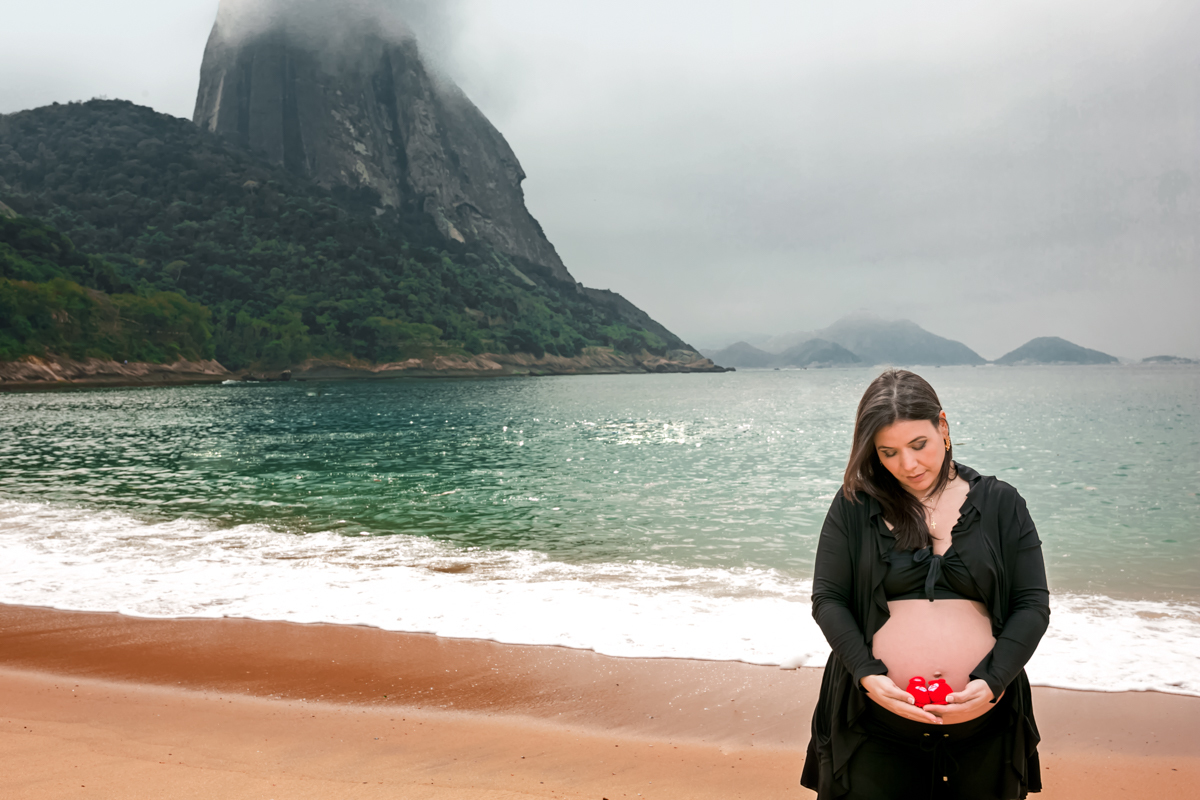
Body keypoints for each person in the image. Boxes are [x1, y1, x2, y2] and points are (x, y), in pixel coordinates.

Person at [800, 369, 1050, 799]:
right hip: (873, 721)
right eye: (888, 452)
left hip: (984, 725)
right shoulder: (854, 506)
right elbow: (829, 599)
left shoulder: (1001, 503)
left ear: (943, 426)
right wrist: (867, 674)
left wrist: (993, 680)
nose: (909, 465)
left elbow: (1031, 604)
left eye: (919, 445)